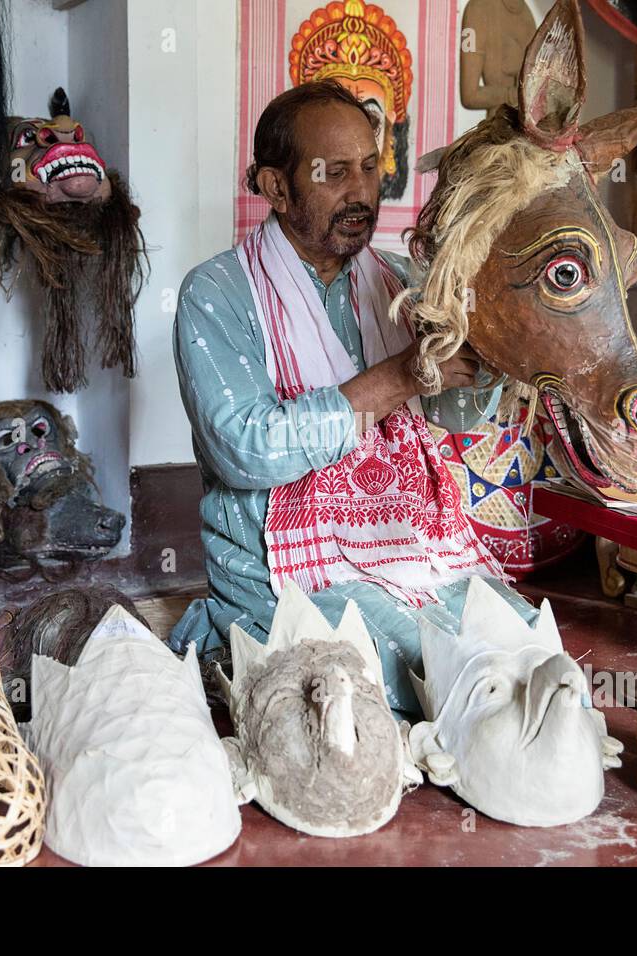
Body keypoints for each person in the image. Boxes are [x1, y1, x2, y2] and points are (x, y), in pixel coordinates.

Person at [169, 81, 536, 716]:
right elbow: (246, 450)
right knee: (431, 678)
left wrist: (491, 366)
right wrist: (405, 375)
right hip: (282, 572)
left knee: (526, 651)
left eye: (370, 167)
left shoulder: (396, 281)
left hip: (411, 549)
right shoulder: (216, 293)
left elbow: (451, 419)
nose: (362, 192)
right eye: (334, 172)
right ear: (276, 187)